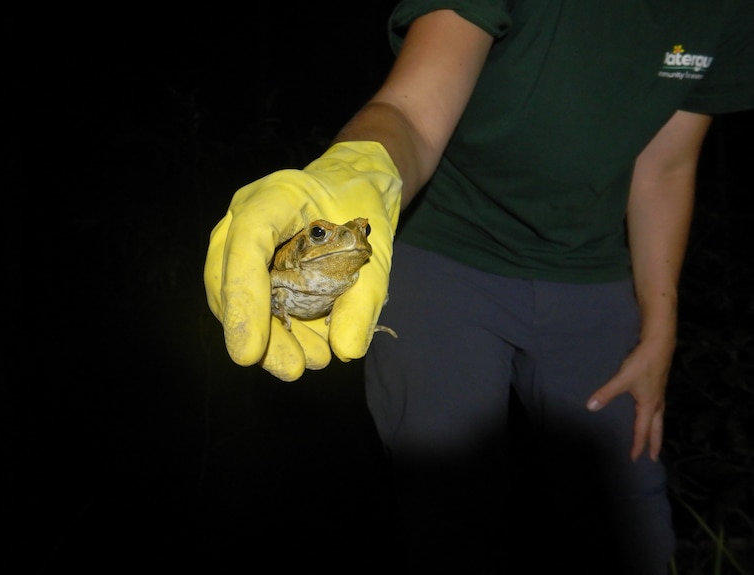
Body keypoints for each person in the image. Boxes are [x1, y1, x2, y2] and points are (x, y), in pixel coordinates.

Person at [204, 1, 754, 572]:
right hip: (445, 249)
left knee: (629, 510)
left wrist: (662, 328)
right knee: (446, 513)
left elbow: (666, 166)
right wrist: (357, 166)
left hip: (593, 266)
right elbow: (412, 111)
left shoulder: (731, 14)